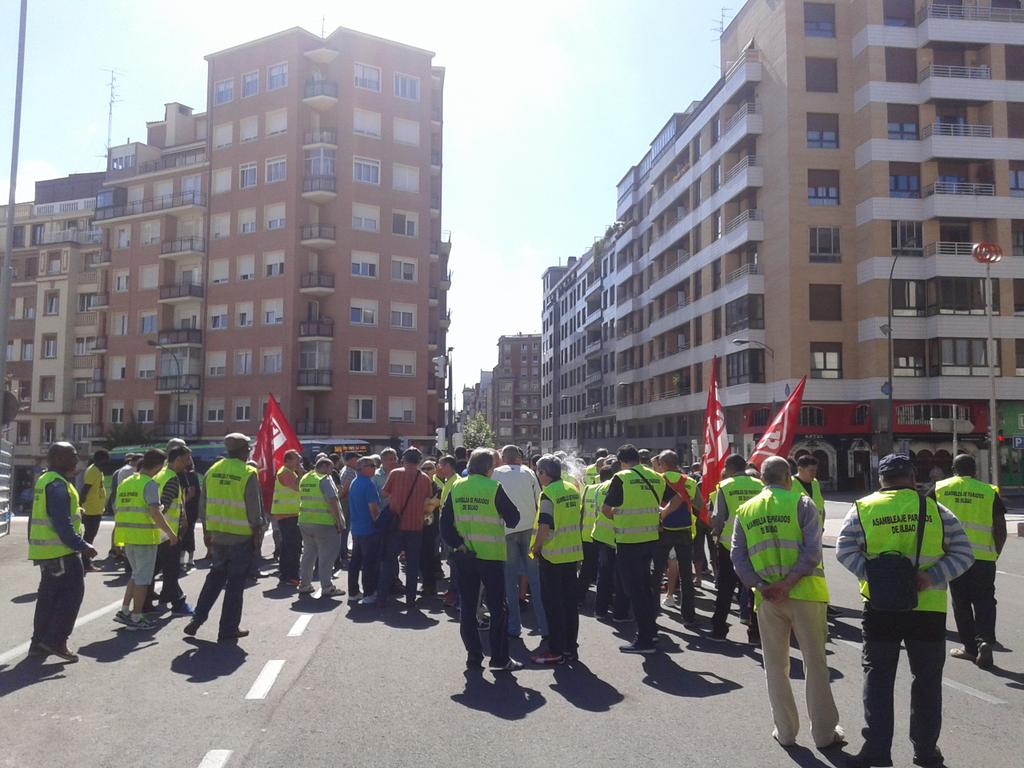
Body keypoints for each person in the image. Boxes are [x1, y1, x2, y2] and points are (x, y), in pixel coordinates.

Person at [837, 454, 974, 768]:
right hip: (928, 609)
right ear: (913, 479)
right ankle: (926, 751)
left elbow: (844, 552)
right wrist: (931, 577)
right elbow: (964, 553)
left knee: (878, 678)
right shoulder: (936, 509)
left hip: (880, 607)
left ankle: (877, 751)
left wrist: (877, 579)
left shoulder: (862, 508)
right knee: (926, 681)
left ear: (881, 480)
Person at [731, 457, 844, 750]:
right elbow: (812, 552)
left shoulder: (745, 510)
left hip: (767, 599)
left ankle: (785, 732)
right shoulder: (801, 503)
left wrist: (761, 585)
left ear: (762, 479)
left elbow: (738, 558)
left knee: (775, 665)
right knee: (815, 664)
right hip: (805, 594)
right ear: (788, 478)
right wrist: (789, 582)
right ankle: (823, 734)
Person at [440, 448, 523, 671]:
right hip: (491, 556)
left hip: (464, 555)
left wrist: (458, 544)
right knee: (497, 608)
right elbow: (514, 518)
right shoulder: (493, 487)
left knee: (467, 608)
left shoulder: (456, 486)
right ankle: (500, 658)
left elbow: (444, 523)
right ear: (489, 469)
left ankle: (473, 658)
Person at [185, 434, 264, 642]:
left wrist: (206, 531)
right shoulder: (248, 472)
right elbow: (254, 509)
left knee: (214, 579)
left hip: (218, 535)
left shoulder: (213, 470)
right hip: (241, 538)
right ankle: (228, 629)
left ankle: (197, 618)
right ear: (244, 451)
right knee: (235, 585)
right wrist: (258, 534)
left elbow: (204, 502)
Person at [934, 453, 1007, 670]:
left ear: (953, 470)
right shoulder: (987, 491)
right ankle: (985, 640)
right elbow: (1000, 527)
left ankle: (970, 649)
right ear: (975, 470)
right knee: (985, 601)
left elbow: (927, 518)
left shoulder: (939, 489)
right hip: (984, 558)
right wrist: (996, 552)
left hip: (954, 558)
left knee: (961, 603)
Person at [27, 442, 96, 662]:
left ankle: (39, 642)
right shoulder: (57, 484)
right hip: (62, 552)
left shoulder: (45, 480)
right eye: (72, 456)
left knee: (48, 598)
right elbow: (61, 522)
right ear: (56, 458)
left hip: (48, 553)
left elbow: (43, 516)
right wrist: (82, 545)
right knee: (71, 596)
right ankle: (56, 641)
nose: (76, 460)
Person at [600, 444, 668, 654]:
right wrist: (659, 516)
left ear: (621, 462)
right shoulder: (656, 476)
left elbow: (606, 509)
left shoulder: (622, 478)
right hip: (651, 538)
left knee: (635, 590)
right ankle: (652, 631)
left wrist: (619, 516)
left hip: (629, 540)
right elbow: (676, 498)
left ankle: (644, 639)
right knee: (645, 587)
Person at [113, 449, 177, 631]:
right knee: (143, 579)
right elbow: (154, 513)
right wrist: (171, 533)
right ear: (158, 466)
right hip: (144, 537)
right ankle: (136, 616)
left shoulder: (126, 482)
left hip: (127, 536)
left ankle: (125, 610)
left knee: (135, 574)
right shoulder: (149, 484)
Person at [530, 455, 583, 665]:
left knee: (553, 605)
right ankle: (570, 648)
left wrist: (536, 548)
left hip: (552, 555)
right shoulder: (572, 489)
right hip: (572, 554)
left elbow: (544, 526)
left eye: (538, 471)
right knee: (570, 604)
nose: (537, 475)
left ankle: (555, 650)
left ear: (544, 473)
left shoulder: (548, 494)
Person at [493, 444, 548, 639]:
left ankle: (514, 627)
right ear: (518, 458)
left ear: (503, 458)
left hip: (506, 532)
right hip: (529, 532)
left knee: (509, 579)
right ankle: (544, 626)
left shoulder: (496, 473)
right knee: (534, 577)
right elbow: (538, 501)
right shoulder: (529, 473)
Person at [710, 454, 765, 642]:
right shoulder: (759, 485)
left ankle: (719, 630)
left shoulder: (725, 486)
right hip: (756, 543)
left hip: (729, 544)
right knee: (754, 588)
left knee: (725, 588)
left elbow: (718, 517)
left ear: (728, 468)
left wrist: (715, 533)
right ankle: (756, 632)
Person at [375, 448, 433, 609]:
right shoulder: (424, 478)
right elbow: (427, 499)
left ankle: (381, 598)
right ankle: (410, 599)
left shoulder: (395, 474)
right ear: (419, 461)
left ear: (403, 460)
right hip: (415, 526)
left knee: (388, 562)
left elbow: (384, 493)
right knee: (413, 564)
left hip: (396, 525)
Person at [653, 450, 700, 626]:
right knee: (686, 574)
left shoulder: (658, 479)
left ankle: (653, 612)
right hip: (685, 530)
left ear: (663, 464)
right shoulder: (689, 481)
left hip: (662, 529)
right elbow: (699, 505)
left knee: (657, 572)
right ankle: (689, 616)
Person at [150, 446, 195, 615]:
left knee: (157, 568)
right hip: (168, 533)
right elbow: (164, 505)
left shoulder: (160, 475)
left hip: (160, 532)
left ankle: (153, 601)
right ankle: (177, 602)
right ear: (176, 460)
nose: (188, 463)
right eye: (186, 459)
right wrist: (171, 531)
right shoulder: (171, 478)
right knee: (171, 570)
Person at [297, 456, 345, 598]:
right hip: (324, 522)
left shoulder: (306, 478)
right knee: (327, 556)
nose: (331, 472)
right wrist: (339, 521)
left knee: (308, 554)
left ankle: (304, 584)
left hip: (305, 521)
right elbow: (332, 501)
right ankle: (327, 587)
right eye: (330, 469)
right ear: (324, 467)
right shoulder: (324, 479)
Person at [348, 457, 383, 604]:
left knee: (355, 562)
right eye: (372, 466)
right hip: (368, 529)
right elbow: (373, 509)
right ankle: (369, 593)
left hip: (356, 528)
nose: (374, 468)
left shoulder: (354, 482)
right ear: (362, 468)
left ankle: (353, 592)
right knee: (369, 563)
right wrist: (379, 524)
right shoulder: (368, 484)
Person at [271, 449, 303, 587]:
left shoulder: (289, 472)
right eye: (297, 458)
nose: (299, 461)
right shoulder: (285, 472)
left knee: (287, 546)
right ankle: (292, 576)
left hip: (289, 514)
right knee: (293, 547)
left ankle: (285, 574)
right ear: (288, 460)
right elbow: (297, 487)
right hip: (288, 514)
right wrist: (301, 474)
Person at [576, 458, 602, 606]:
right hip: (607, 536)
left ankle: (580, 596)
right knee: (605, 570)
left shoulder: (588, 489)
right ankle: (604, 600)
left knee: (587, 568)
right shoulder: (612, 488)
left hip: (587, 535)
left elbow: (581, 511)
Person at [172, 440, 201, 570]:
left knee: (188, 533)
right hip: (181, 509)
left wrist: (182, 505)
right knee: (181, 535)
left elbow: (191, 492)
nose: (189, 460)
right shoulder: (179, 473)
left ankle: (189, 558)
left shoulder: (190, 474)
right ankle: (180, 559)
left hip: (190, 509)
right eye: (187, 457)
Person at [78, 449, 108, 571]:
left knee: (90, 536)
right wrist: (80, 505)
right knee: (89, 537)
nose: (106, 463)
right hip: (90, 510)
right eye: (105, 460)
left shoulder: (97, 471)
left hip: (95, 509)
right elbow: (85, 489)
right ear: (100, 460)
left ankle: (85, 562)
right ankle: (85, 563)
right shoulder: (93, 471)